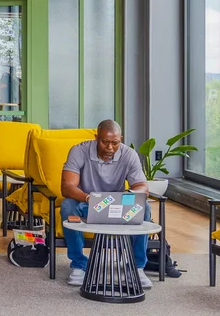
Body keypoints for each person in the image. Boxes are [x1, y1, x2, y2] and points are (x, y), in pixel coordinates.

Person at [58, 118, 152, 289]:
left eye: (114, 143)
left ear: (120, 139)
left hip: (117, 204)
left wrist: (128, 196)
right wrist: (89, 198)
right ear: (96, 137)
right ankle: (79, 265)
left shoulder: (129, 154)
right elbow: (67, 187)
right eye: (105, 142)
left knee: (143, 206)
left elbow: (142, 187)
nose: (110, 148)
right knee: (67, 205)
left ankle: (136, 267)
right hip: (86, 201)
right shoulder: (79, 151)